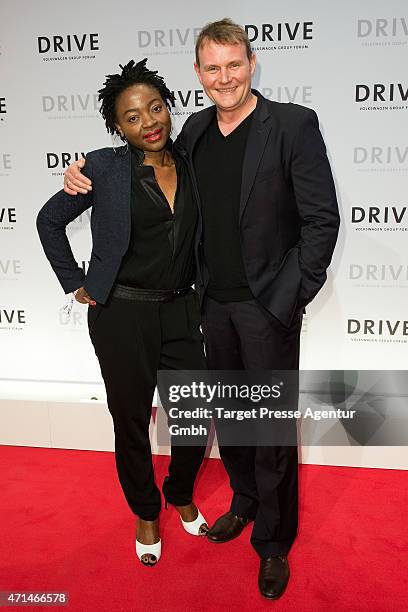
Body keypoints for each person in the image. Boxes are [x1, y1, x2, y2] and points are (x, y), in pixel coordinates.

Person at [63, 18, 340, 599]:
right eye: (212, 68)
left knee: (268, 427)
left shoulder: (291, 124)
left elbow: (321, 221)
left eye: (233, 64)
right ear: (198, 74)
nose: (225, 77)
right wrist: (79, 172)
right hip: (209, 306)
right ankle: (243, 501)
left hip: (267, 309)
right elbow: (140, 170)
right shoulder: (192, 131)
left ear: (252, 62)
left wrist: (289, 297)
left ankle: (273, 541)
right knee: (235, 421)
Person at [37, 59, 209, 568]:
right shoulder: (104, 167)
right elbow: (49, 220)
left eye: (155, 108)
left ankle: (179, 492)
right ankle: (146, 511)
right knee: (130, 421)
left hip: (182, 308)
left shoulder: (193, 158)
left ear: (169, 107)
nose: (148, 122)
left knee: (195, 417)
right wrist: (76, 283)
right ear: (118, 127)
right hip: (122, 316)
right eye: (132, 117)